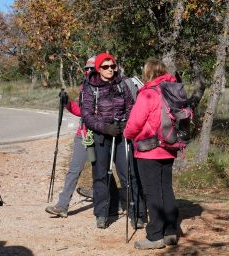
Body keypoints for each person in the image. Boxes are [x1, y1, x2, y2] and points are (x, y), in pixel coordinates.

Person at [81, 53, 146, 229]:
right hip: (101, 136)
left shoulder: (121, 84)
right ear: (98, 69)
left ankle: (137, 214)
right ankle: (102, 214)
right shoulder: (90, 87)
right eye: (105, 66)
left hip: (122, 135)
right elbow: (86, 114)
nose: (110, 69)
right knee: (101, 176)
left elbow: (131, 106)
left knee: (129, 175)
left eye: (112, 66)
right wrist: (104, 127)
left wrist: (127, 123)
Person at [124, 58, 179, 250]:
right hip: (169, 147)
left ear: (147, 73)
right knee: (166, 189)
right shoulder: (173, 91)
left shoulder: (148, 93)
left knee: (152, 192)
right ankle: (170, 231)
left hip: (149, 149)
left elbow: (135, 123)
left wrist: (127, 134)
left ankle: (155, 235)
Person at [45, 56, 97, 218]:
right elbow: (81, 111)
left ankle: (103, 195)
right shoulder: (84, 87)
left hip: (101, 135)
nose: (88, 71)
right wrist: (67, 103)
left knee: (101, 170)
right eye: (86, 68)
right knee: (74, 170)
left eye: (91, 69)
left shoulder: (109, 88)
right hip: (82, 135)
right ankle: (62, 206)